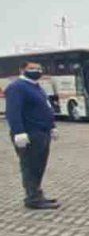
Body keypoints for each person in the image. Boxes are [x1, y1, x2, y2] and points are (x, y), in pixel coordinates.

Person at [5, 60, 59, 209]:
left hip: (42, 133)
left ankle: (37, 193)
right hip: (29, 134)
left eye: (39, 68)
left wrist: (52, 127)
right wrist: (18, 132)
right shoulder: (17, 87)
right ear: (22, 70)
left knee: (39, 166)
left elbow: (46, 108)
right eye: (32, 68)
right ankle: (32, 198)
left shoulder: (36, 87)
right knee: (30, 166)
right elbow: (13, 112)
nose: (37, 70)